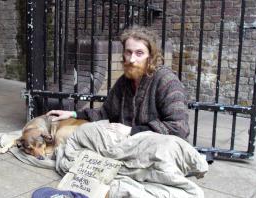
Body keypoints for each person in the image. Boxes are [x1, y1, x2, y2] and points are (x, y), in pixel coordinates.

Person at [47, 25, 189, 139]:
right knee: (82, 136)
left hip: (159, 144)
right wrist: (73, 115)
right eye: (128, 52)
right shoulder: (124, 82)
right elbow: (105, 113)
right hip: (127, 143)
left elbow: (179, 128)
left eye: (139, 53)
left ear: (150, 56)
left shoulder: (166, 81)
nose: (132, 59)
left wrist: (132, 131)